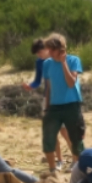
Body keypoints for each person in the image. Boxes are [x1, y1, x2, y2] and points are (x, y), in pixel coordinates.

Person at [24, 38, 72, 171]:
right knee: (52, 132)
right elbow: (37, 81)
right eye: (37, 54)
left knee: (65, 132)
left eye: (40, 52)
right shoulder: (40, 62)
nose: (39, 55)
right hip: (48, 99)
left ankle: (76, 159)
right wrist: (30, 86)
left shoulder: (62, 60)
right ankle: (59, 161)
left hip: (62, 99)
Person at [42, 33, 86, 173]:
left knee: (75, 137)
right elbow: (48, 87)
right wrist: (46, 107)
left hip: (72, 105)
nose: (48, 52)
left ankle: (77, 165)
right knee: (49, 137)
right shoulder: (46, 64)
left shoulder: (74, 60)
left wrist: (63, 62)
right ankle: (53, 169)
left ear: (60, 49)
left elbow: (71, 83)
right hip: (54, 107)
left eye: (51, 49)